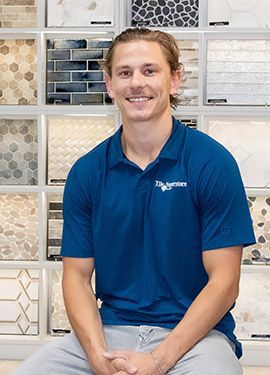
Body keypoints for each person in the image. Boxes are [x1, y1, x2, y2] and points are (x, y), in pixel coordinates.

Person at [13, 28, 255, 375]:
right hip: (110, 331)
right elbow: (77, 278)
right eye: (124, 73)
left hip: (196, 338)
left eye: (149, 70)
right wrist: (97, 355)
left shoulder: (211, 163)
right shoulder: (87, 172)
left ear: (174, 80)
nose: (136, 83)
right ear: (109, 84)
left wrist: (159, 360)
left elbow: (225, 282)